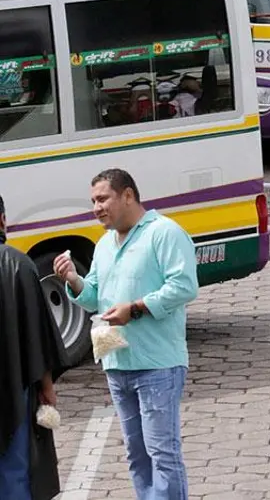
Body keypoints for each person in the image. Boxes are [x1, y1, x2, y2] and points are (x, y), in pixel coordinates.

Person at [54, 169, 198, 500]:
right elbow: (94, 295)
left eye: (103, 198)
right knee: (136, 455)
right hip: (118, 363)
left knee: (162, 452)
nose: (96, 207)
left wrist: (134, 309)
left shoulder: (164, 233)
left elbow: (184, 287)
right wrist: (75, 280)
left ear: (128, 195)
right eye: (93, 201)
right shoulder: (105, 244)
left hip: (158, 364)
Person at [0, 195, 63, 500]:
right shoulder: (19, 265)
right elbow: (37, 336)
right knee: (15, 467)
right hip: (15, 388)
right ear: (2, 221)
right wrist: (47, 387)